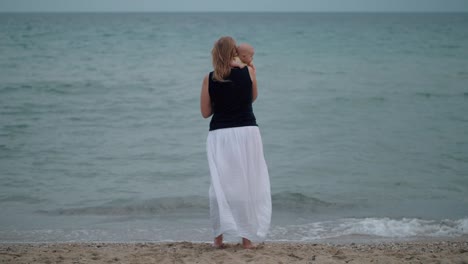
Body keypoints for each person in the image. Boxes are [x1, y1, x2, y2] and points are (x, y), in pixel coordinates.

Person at [200, 36, 271, 249]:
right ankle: (247, 240)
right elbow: (252, 98)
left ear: (215, 54)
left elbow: (205, 113)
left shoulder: (209, 78)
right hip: (248, 131)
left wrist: (219, 101)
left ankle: (218, 239)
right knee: (247, 182)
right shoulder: (249, 71)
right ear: (234, 52)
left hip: (221, 134)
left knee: (220, 185)